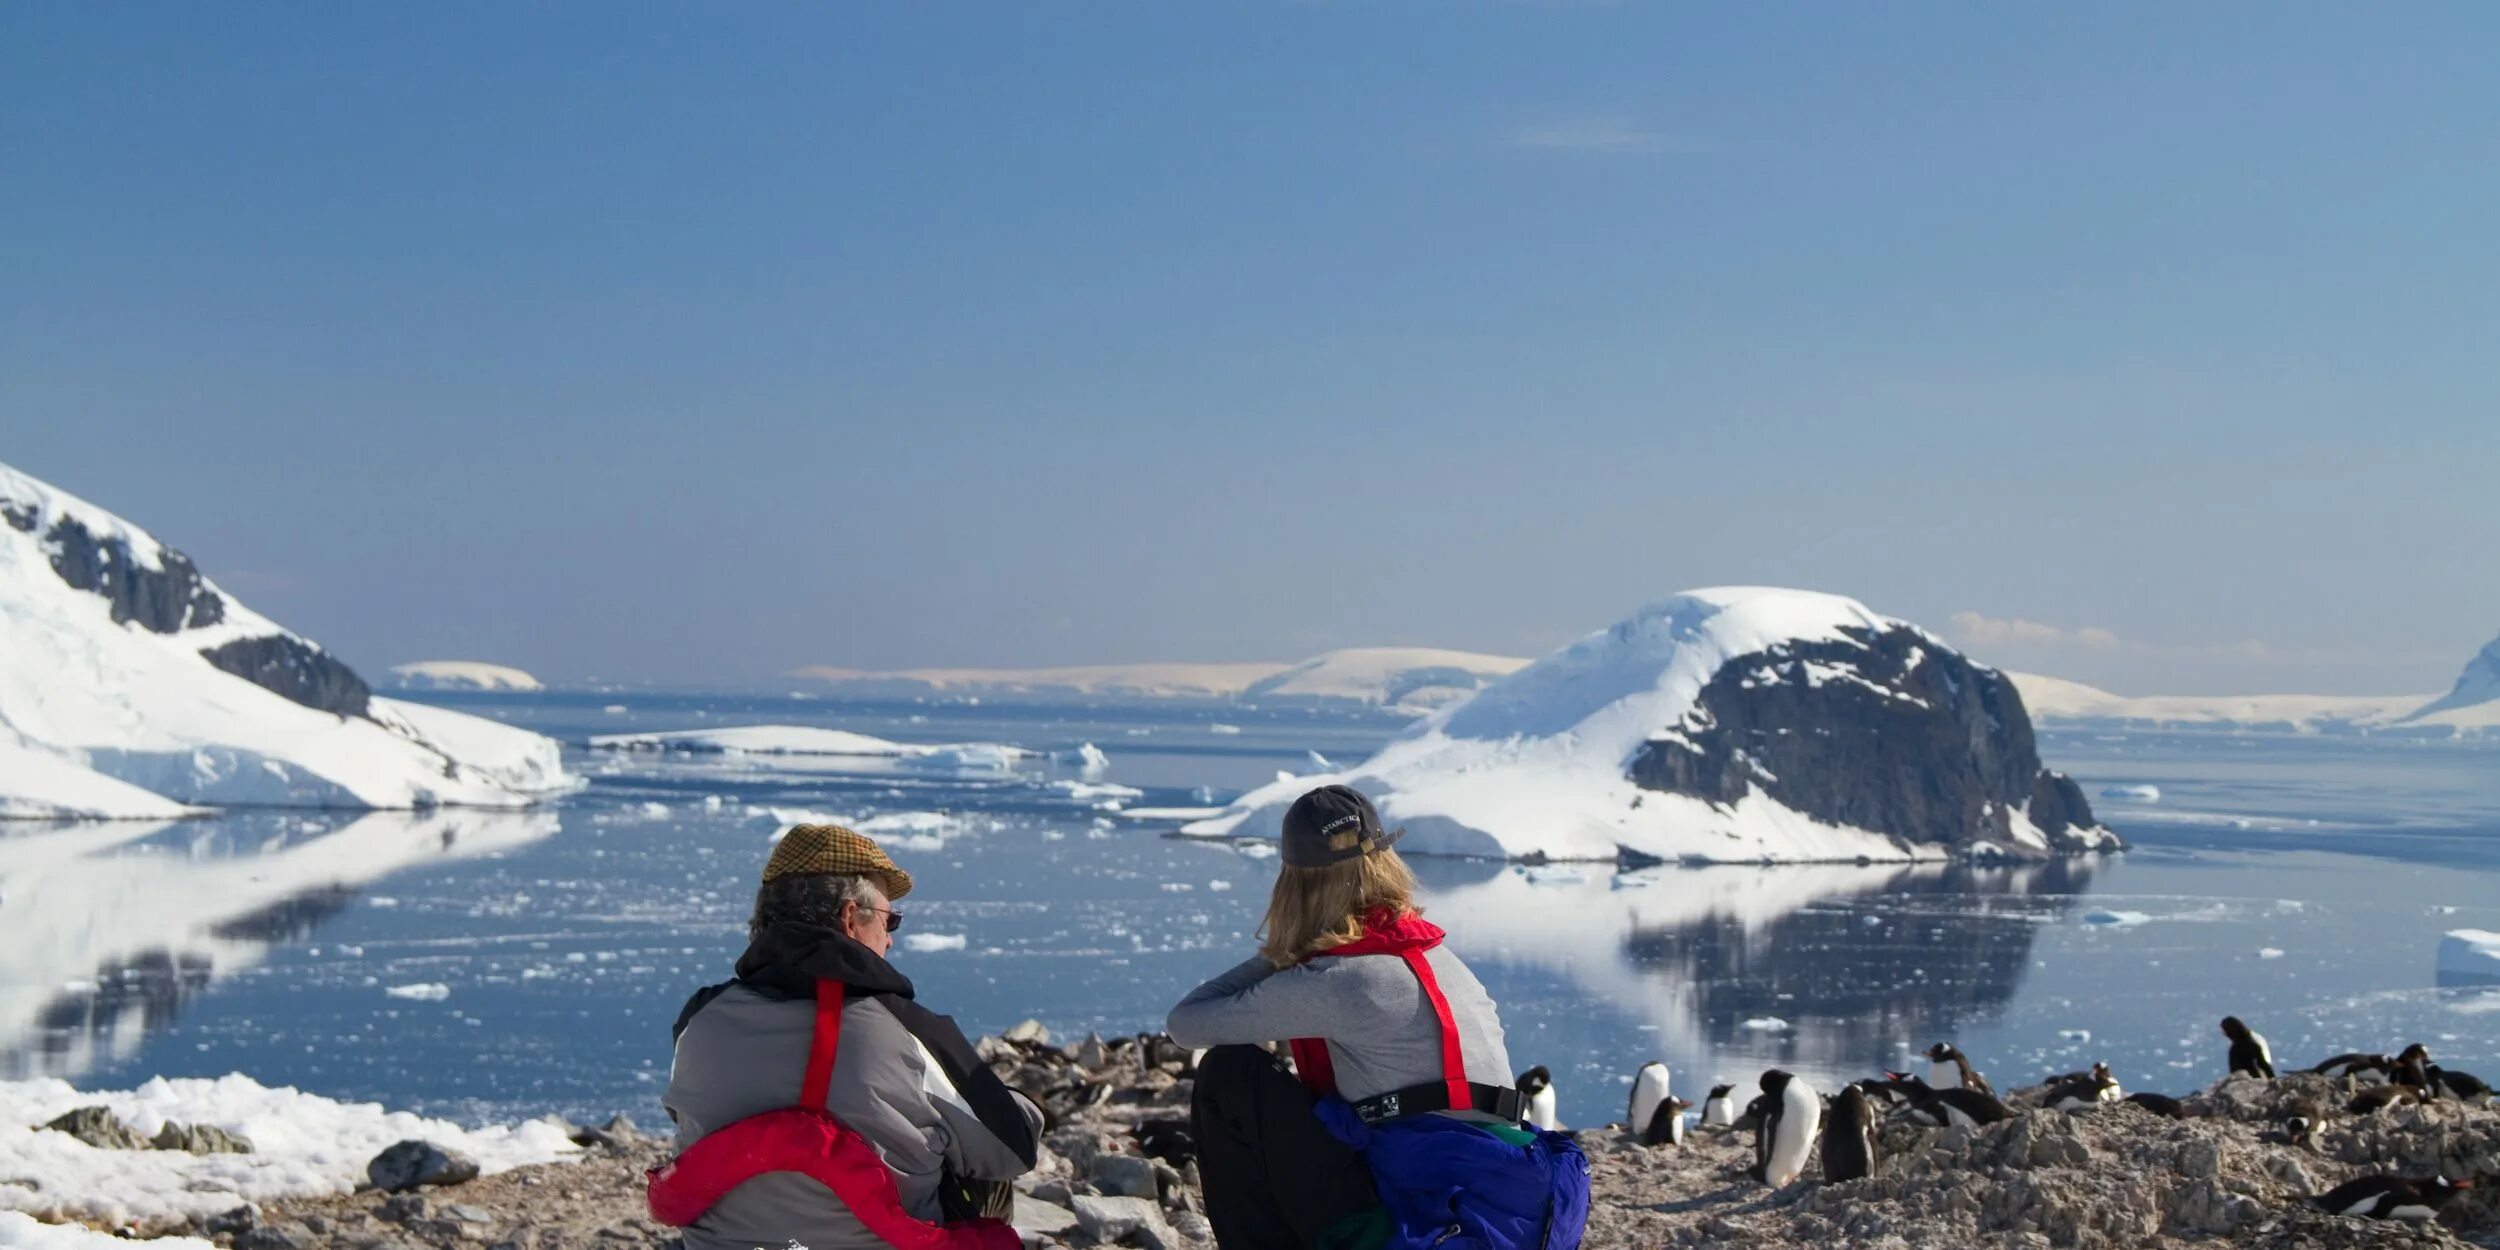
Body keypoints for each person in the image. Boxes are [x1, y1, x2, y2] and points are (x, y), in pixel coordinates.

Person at [1167, 785, 1589, 1250]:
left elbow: (1187, 1023)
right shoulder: (1439, 958)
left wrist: (1286, 952)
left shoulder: (1340, 978)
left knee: (1231, 1076)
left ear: (1297, 884)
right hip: (1510, 1216)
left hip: (1427, 1218)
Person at [652, 824, 1040, 1250]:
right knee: (973, 1164)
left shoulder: (700, 1019)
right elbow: (1012, 1148)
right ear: (851, 918)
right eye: (891, 920)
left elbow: (685, 1115)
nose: (891, 940)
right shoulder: (904, 1028)